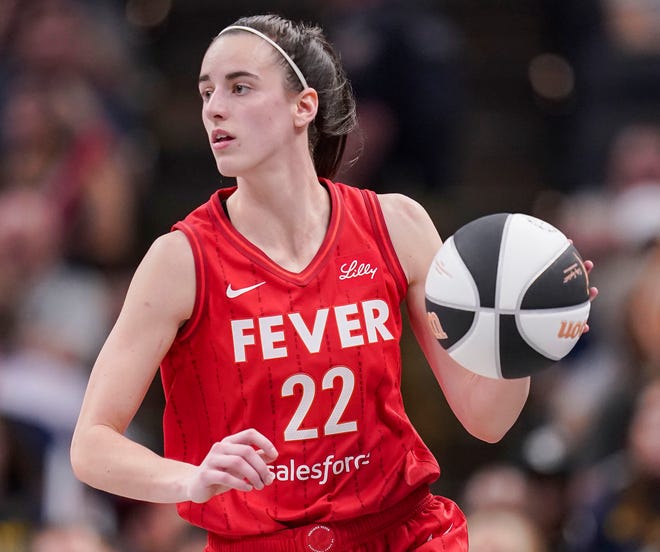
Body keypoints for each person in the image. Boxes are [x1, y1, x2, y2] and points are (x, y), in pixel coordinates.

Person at [70, 14, 597, 551]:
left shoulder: (396, 225)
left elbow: (485, 419)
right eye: (207, 92)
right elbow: (91, 444)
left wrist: (525, 334)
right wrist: (189, 478)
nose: (214, 108)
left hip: (403, 533)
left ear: (304, 105)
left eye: (240, 87)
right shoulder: (181, 260)